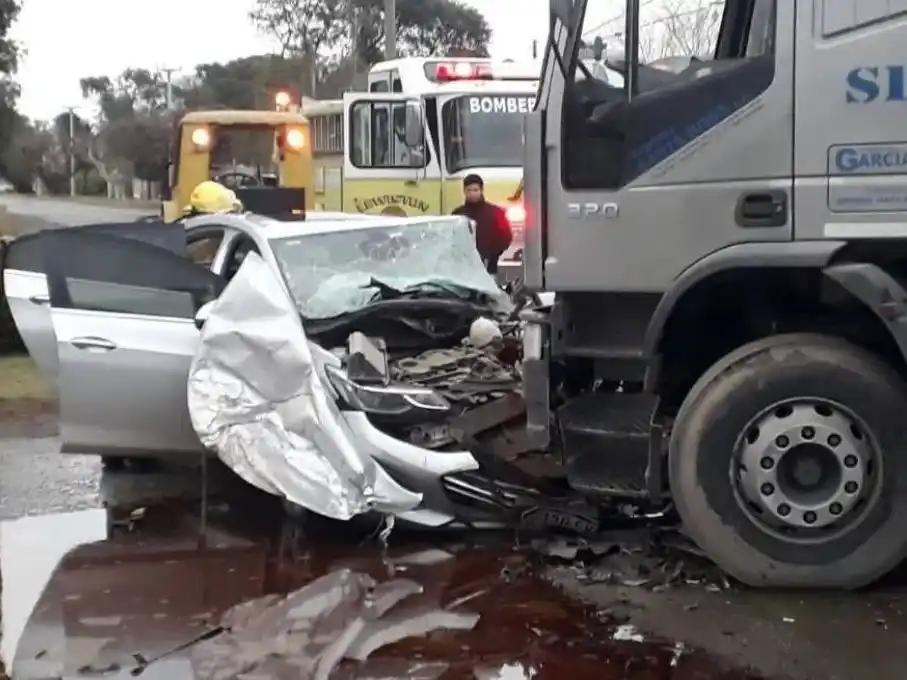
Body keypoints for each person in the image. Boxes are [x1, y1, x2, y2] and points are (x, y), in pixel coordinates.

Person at [452, 174, 513, 274]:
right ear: (464, 191)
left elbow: (506, 236)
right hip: (464, 268)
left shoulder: (496, 212)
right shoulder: (457, 214)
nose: (472, 193)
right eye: (469, 190)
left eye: (475, 190)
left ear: (481, 190)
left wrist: (493, 255)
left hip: (489, 267)